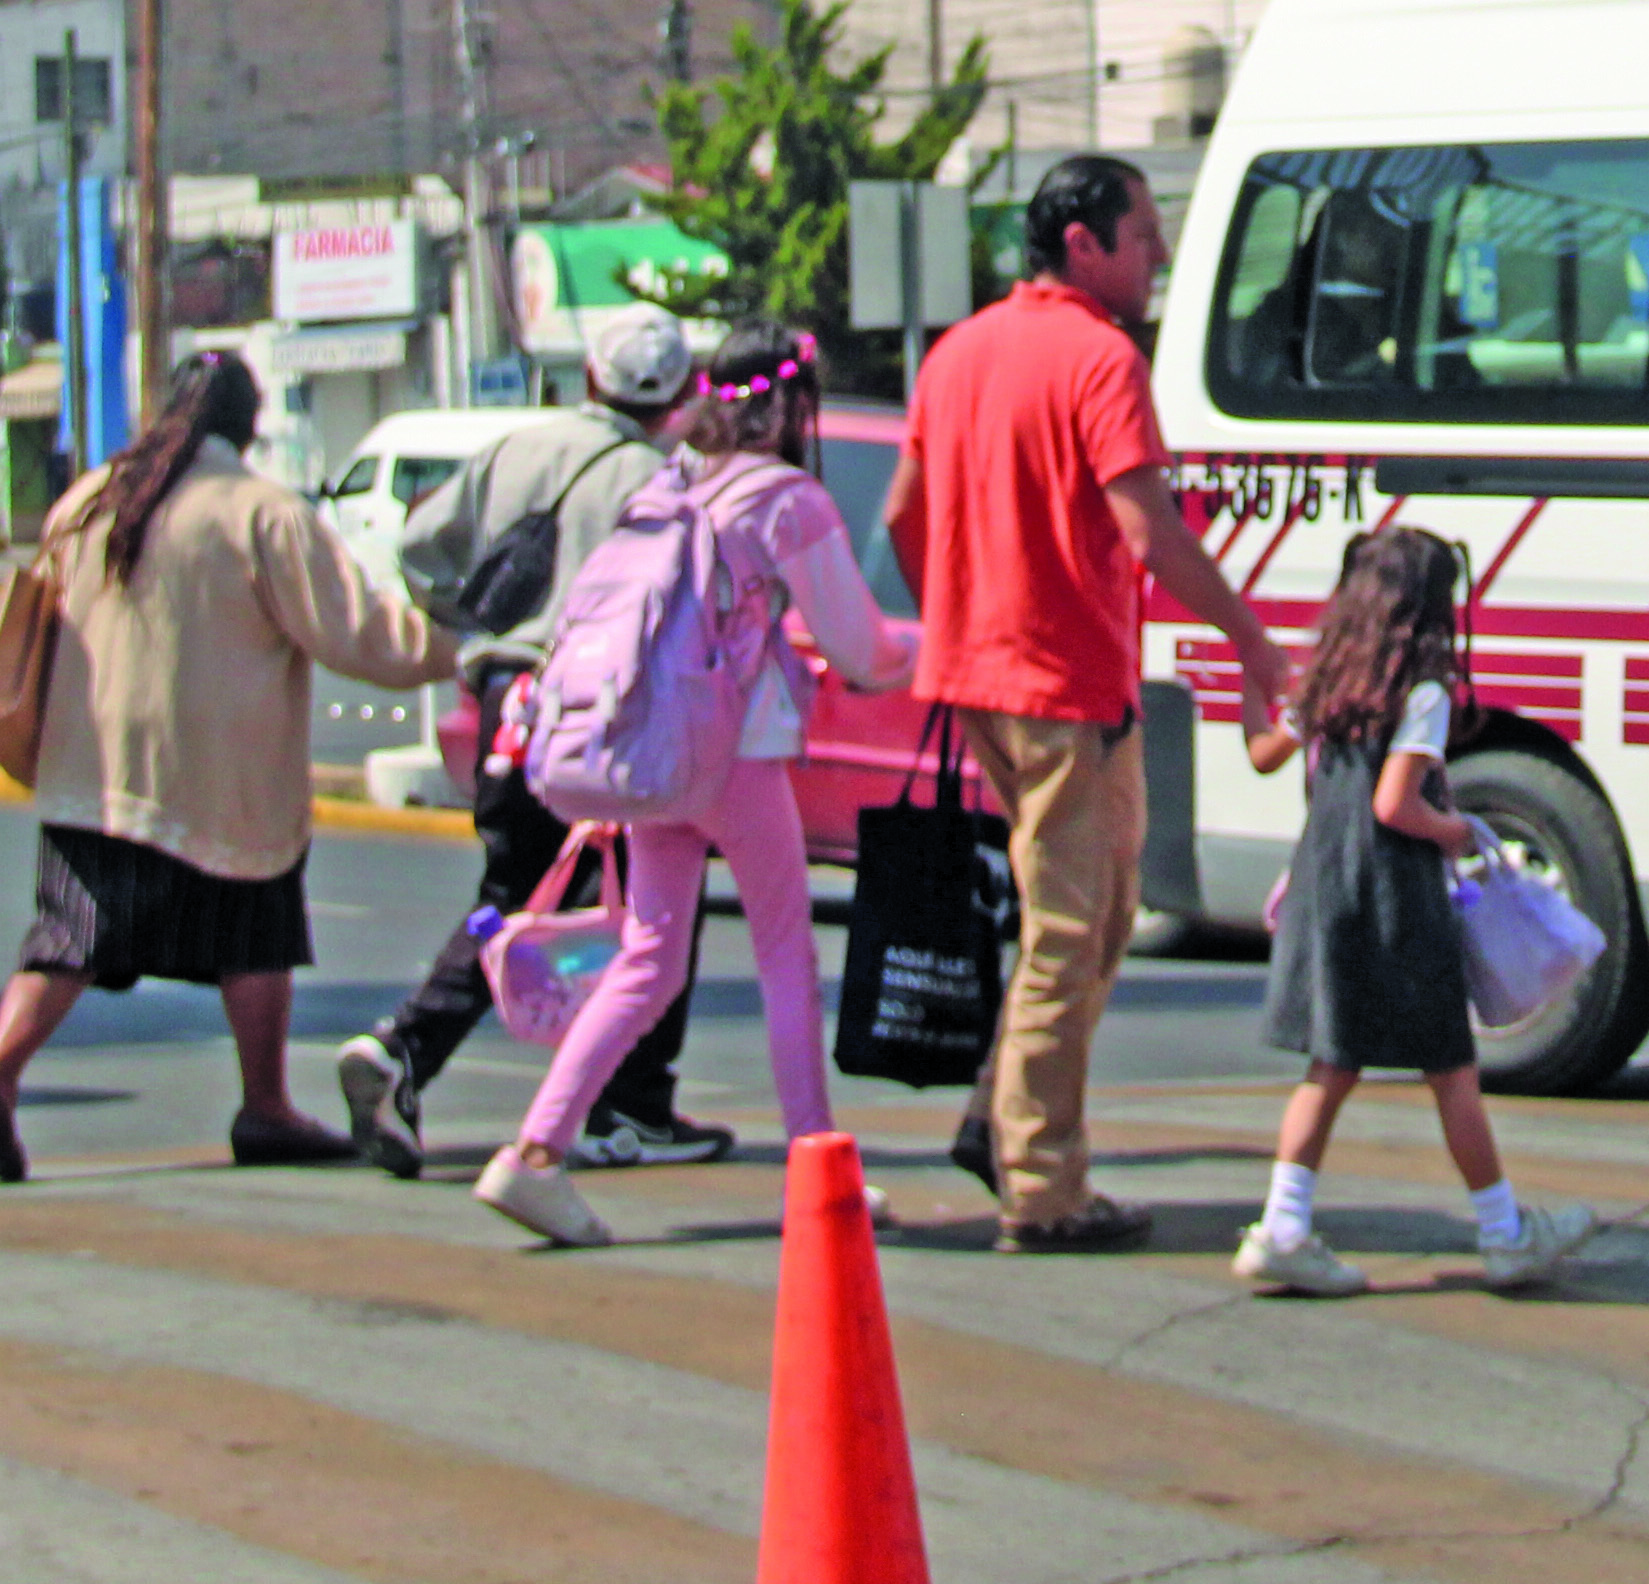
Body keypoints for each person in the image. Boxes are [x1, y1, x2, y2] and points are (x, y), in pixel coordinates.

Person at [885, 155, 1291, 1254]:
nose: (1156, 255)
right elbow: (1149, 533)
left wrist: (961, 614)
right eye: (1142, 235)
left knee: (1101, 912)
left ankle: (996, 1119)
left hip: (991, 681)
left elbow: (901, 516)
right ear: (1083, 244)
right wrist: (1255, 645)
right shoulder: (1099, 359)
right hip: (1061, 689)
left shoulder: (960, 353)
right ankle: (1042, 1188)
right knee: (1071, 932)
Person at [472, 321, 918, 1246]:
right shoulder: (787, 498)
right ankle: (817, 1168)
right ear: (795, 403)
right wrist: (927, 652)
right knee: (786, 955)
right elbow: (861, 648)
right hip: (736, 754)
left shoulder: (674, 477)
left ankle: (535, 1151)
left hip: (656, 747)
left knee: (650, 958)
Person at [0, 352, 458, 1182]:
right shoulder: (260, 511)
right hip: (218, 777)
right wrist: (459, 644)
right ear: (248, 426)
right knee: (254, 929)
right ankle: (266, 1105)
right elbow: (357, 634)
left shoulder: (88, 503)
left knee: (71, 940)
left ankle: (1, 1075)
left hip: (95, 769)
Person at [335, 304, 727, 1179]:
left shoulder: (515, 450)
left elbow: (421, 547)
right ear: (677, 399)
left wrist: (476, 629)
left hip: (508, 704)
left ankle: (405, 1050)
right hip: (606, 719)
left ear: (590, 378)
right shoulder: (661, 480)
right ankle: (634, 1104)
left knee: (513, 894)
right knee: (655, 899)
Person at [1230, 527, 1597, 1295]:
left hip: (1326, 889)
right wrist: (1455, 828)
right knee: (1452, 1072)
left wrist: (1245, 685)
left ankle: (1282, 1228)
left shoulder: (1327, 677)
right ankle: (1505, 1234)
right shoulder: (1421, 691)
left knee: (1328, 1065)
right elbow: (1395, 803)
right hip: (1395, 900)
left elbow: (1264, 753)